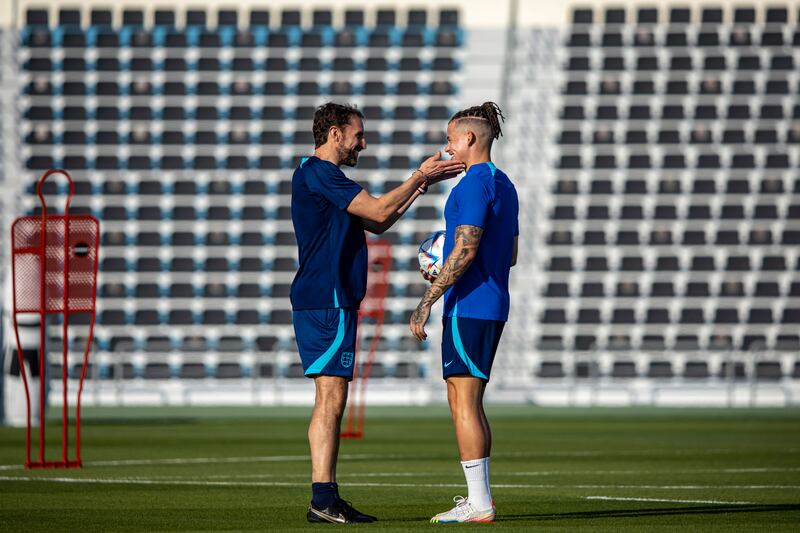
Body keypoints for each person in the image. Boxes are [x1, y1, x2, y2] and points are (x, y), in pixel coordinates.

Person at [291, 102, 465, 524]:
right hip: (326, 299)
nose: (362, 143)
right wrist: (421, 176)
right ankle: (323, 498)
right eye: (357, 134)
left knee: (332, 397)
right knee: (331, 398)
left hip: (331, 299)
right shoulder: (320, 173)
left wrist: (420, 184)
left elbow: (379, 222)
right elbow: (379, 210)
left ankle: (325, 497)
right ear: (335, 134)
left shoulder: (324, 177)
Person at [409, 102, 519, 523]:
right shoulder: (505, 184)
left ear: (469, 139)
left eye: (451, 138)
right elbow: (508, 254)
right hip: (489, 303)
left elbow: (466, 248)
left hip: (468, 305)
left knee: (464, 404)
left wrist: (425, 300)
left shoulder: (471, 185)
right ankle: (479, 500)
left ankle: (479, 504)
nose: (447, 146)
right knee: (465, 400)